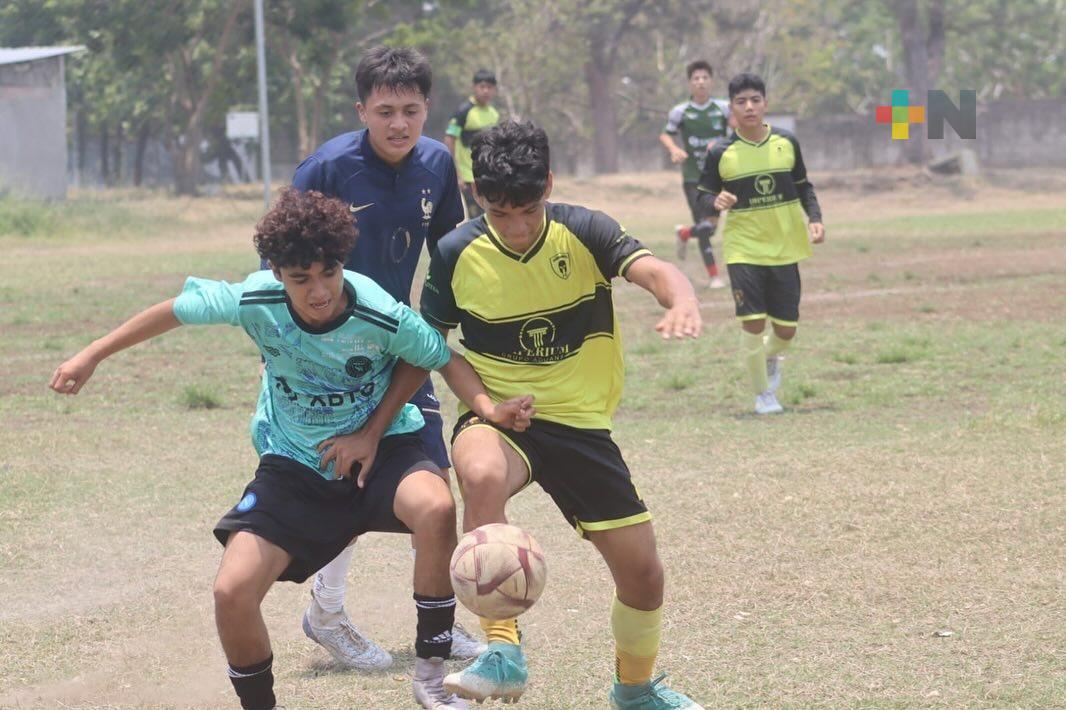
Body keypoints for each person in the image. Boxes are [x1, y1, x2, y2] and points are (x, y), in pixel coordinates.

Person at [50, 189, 536, 710]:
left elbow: (437, 356)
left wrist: (475, 411)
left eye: (329, 273)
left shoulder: (375, 309)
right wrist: (92, 354)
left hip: (384, 451)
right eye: (301, 278)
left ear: (342, 263)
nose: (319, 291)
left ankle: (431, 678)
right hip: (295, 465)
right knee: (232, 592)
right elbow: (175, 309)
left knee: (436, 507)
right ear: (277, 273)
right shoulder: (255, 300)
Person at [419, 121, 706, 709]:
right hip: (502, 418)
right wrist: (485, 406)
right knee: (480, 474)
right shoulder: (454, 253)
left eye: (528, 210)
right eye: (500, 213)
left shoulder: (585, 230)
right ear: (477, 194)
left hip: (580, 424)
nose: (517, 227)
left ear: (548, 185)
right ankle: (502, 653)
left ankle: (634, 691)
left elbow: (654, 270)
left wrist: (682, 298)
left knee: (644, 575)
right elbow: (434, 346)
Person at [285, 45, 485, 668]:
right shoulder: (326, 169)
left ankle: (439, 621)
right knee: (345, 481)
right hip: (329, 355)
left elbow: (451, 254)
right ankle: (327, 612)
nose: (399, 124)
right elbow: (280, 264)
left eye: (411, 111)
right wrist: (285, 351)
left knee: (432, 481)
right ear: (361, 111)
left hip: (399, 345)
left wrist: (446, 327)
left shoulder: (437, 163)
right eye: (385, 112)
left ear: (428, 108)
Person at [696, 73, 825, 415]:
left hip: (785, 247)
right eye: (741, 102)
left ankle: (767, 358)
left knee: (786, 329)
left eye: (755, 100)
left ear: (766, 103)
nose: (749, 107)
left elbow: (804, 186)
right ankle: (763, 394)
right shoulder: (721, 152)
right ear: (732, 108)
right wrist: (715, 202)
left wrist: (814, 217)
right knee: (752, 322)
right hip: (744, 249)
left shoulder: (787, 142)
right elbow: (703, 195)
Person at [659, 59, 731, 288]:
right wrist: (674, 149)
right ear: (690, 83)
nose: (701, 82)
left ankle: (684, 233)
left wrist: (723, 145)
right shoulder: (681, 111)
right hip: (693, 178)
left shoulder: (723, 108)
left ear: (711, 81)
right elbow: (666, 135)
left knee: (711, 228)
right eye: (696, 78)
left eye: (704, 78)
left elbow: (736, 131)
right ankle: (714, 277)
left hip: (716, 178)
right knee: (705, 226)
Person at [444, 69, 500, 219]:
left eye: (489, 87)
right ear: (474, 87)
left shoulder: (494, 114)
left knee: (491, 215)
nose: (485, 91)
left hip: (487, 174)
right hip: (468, 176)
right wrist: (456, 173)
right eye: (482, 86)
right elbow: (449, 139)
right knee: (476, 217)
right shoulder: (463, 112)